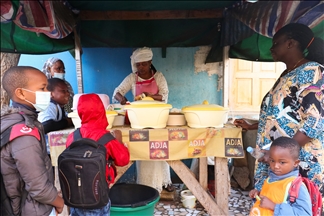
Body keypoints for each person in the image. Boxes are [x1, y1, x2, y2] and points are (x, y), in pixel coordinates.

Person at [234, 23, 324, 197]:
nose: (271, 49)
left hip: (298, 164)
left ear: (290, 44)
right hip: (279, 161)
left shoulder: (313, 72)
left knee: (293, 207)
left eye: (276, 44)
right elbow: (281, 114)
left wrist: (280, 154)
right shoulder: (288, 74)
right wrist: (252, 125)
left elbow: (315, 122)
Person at [1, 66, 64, 215]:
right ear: (21, 93)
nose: (47, 93)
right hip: (31, 210)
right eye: (42, 88)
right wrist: (59, 202)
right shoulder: (24, 133)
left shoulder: (11, 121)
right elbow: (38, 188)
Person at [112, 47, 174, 193]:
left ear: (150, 62)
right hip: (139, 120)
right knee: (143, 151)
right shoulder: (133, 78)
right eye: (138, 65)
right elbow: (117, 92)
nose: (141, 68)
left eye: (144, 64)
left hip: (157, 119)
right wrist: (123, 100)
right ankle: (146, 184)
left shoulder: (158, 76)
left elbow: (164, 96)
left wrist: (149, 95)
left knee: (160, 149)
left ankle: (165, 181)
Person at [65, 93, 130, 216]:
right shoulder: (107, 138)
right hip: (97, 197)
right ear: (101, 111)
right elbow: (123, 160)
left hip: (75, 197)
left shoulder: (72, 136)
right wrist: (120, 142)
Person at [249, 137, 312, 216]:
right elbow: (272, 197)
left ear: (296, 163)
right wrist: (258, 195)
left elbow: (304, 214)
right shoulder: (271, 178)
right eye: (272, 160)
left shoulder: (296, 186)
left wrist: (274, 207)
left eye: (282, 162)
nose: (275, 166)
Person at [38, 78, 74, 154]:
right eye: (63, 91)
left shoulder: (59, 106)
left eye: (67, 91)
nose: (68, 94)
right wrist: (67, 122)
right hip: (45, 151)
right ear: (51, 94)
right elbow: (46, 126)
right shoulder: (49, 106)